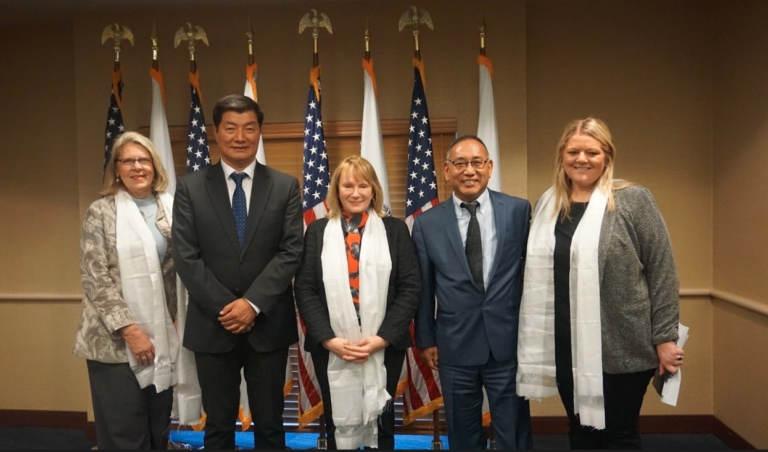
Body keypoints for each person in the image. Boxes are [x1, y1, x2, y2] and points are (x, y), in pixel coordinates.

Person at [516, 117, 684, 449]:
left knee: (618, 434)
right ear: (562, 155)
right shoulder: (549, 205)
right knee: (580, 431)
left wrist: (665, 337)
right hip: (566, 345)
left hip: (622, 346)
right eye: (574, 151)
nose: (582, 159)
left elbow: (662, 270)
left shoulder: (633, 200)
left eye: (592, 152)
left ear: (606, 155)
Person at [171, 94, 303, 450]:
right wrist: (229, 307)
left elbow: (291, 251)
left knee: (272, 426)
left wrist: (253, 304)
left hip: (268, 325)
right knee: (217, 427)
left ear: (260, 132)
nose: (240, 137)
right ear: (216, 133)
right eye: (231, 128)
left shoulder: (285, 186)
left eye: (249, 128)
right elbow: (186, 256)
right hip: (213, 325)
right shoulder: (190, 187)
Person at [412, 135, 533, 450]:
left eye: (477, 162)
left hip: (507, 344)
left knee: (514, 433)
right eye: (460, 163)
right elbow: (423, 288)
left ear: (489, 167)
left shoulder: (518, 211)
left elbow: (531, 277)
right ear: (447, 170)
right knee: (463, 435)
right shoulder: (427, 224)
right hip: (454, 346)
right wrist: (426, 339)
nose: (469, 171)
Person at [295, 156, 420, 450]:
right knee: (338, 423)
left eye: (363, 185)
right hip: (332, 348)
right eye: (348, 185)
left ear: (373, 190)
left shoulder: (395, 230)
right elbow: (305, 289)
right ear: (336, 190)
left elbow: (410, 288)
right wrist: (327, 339)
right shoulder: (316, 232)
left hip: (385, 346)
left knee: (382, 424)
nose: (355, 192)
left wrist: (382, 338)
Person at [73, 131, 179, 449]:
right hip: (113, 343)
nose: (137, 167)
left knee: (158, 426)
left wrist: (176, 318)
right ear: (117, 169)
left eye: (143, 159)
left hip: (162, 335)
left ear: (155, 166)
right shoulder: (100, 212)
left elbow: (178, 273)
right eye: (128, 161)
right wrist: (130, 330)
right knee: (124, 432)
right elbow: (95, 277)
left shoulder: (172, 209)